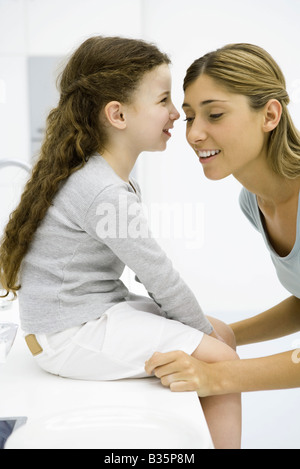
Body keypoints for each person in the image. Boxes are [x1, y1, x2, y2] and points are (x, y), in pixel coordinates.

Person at [0, 36, 241, 449]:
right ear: (118, 114)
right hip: (70, 333)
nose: (175, 113)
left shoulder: (100, 176)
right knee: (221, 356)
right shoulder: (102, 190)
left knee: (222, 334)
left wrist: (205, 332)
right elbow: (158, 276)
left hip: (79, 319)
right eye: (164, 100)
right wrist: (206, 340)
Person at [145, 43, 300, 400]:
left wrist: (216, 377)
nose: (194, 134)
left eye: (214, 115)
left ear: (270, 115)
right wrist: (219, 335)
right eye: (189, 117)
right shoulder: (253, 202)